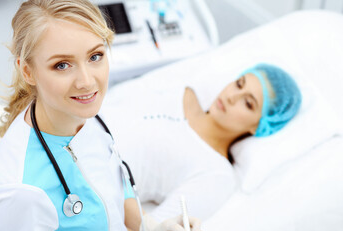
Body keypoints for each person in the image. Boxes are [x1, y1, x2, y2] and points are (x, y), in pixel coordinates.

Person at [0, 0, 200, 231]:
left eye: (95, 56)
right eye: (62, 65)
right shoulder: (23, 191)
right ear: (27, 71)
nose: (87, 82)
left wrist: (149, 228)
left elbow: (112, 186)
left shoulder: (86, 112)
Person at [101, 63, 302, 222]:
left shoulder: (217, 174)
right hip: (74, 126)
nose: (232, 96)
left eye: (248, 103)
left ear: (259, 126)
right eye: (239, 84)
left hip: (87, 187)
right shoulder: (184, 90)